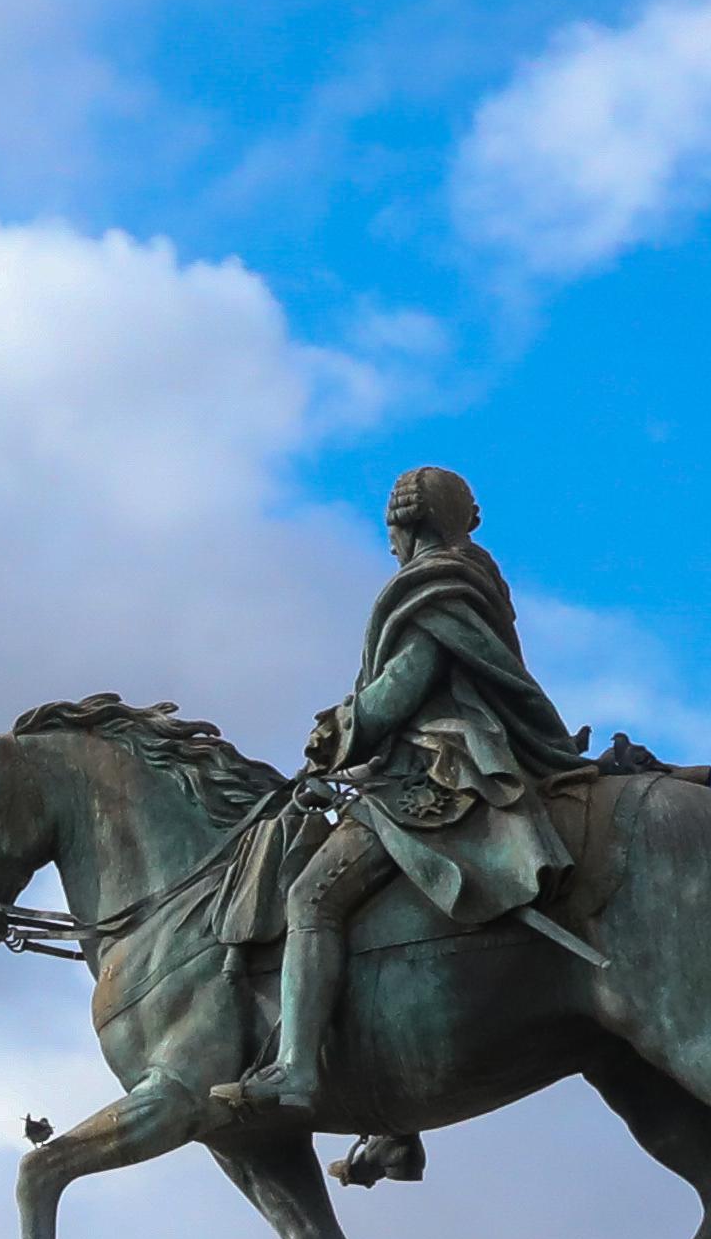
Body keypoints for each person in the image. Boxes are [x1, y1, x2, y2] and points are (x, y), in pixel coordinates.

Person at [223, 463, 601, 1125]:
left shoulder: (431, 590)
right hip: (429, 759)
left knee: (312, 896)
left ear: (406, 524)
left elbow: (402, 687)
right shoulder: (471, 581)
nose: (389, 544)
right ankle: (393, 1120)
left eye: (390, 529)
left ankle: (299, 1066)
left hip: (437, 767)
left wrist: (335, 732)